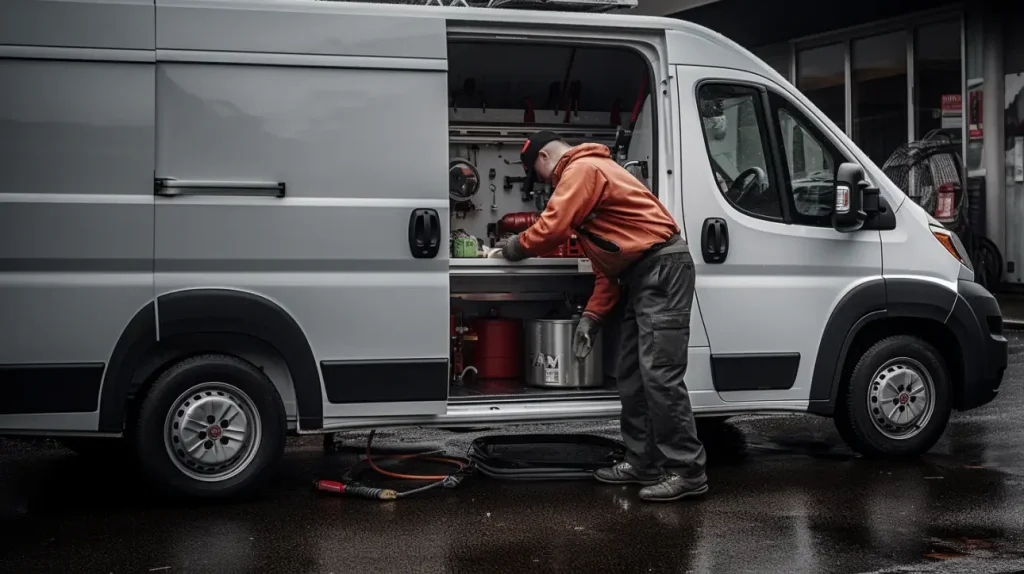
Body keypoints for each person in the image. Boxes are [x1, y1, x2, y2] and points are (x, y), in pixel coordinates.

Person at [502, 130, 708, 502]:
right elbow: (608, 266)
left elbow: (552, 227)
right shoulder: (591, 175)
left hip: (661, 270)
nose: (545, 184)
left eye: (540, 174)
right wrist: (593, 317)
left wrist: (514, 247)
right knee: (630, 373)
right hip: (640, 274)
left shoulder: (581, 169)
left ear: (546, 158)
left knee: (660, 374)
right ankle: (642, 461)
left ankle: (686, 471)